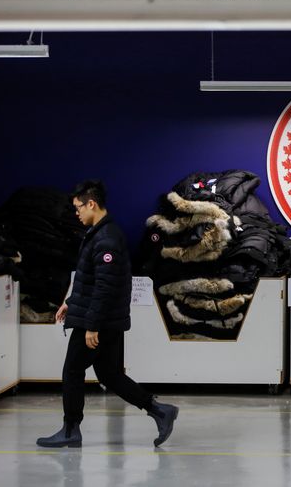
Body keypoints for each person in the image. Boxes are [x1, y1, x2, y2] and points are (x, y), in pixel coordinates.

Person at [36, 180, 178, 448]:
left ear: (92, 203)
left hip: (99, 321)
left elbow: (105, 287)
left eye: (78, 207)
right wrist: (71, 301)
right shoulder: (99, 233)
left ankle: (70, 429)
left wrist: (92, 326)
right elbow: (90, 281)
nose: (76, 212)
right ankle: (160, 411)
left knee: (73, 370)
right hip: (106, 319)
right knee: (110, 375)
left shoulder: (106, 239)